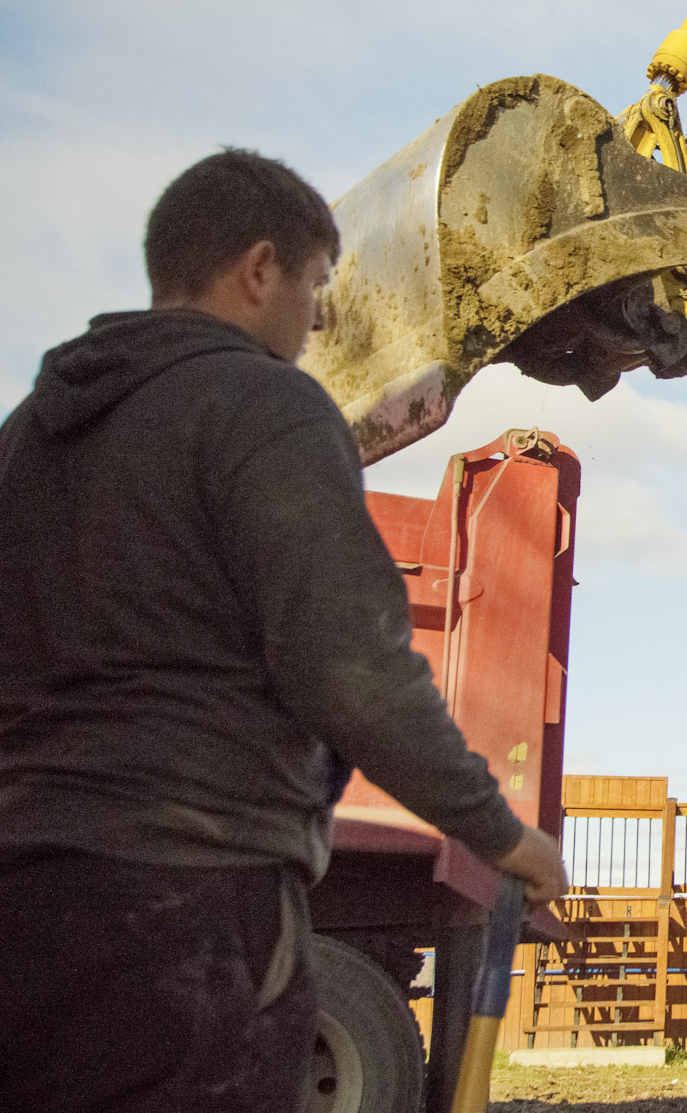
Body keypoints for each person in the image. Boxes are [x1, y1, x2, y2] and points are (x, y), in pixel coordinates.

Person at [0, 149, 569, 1112]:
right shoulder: (265, 405)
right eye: (314, 285)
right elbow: (353, 670)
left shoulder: (28, 433)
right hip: (190, 902)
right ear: (257, 268)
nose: (318, 319)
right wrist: (502, 834)